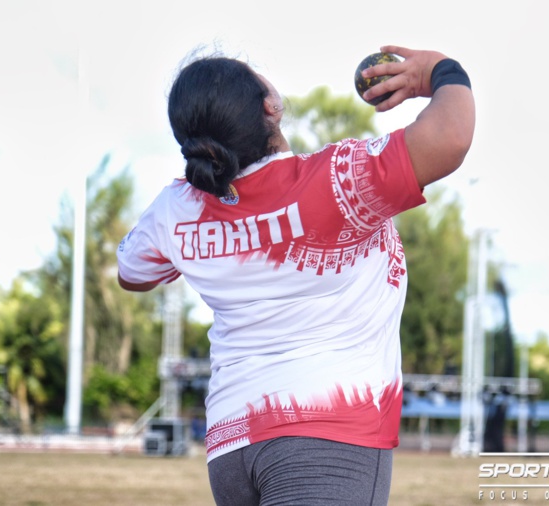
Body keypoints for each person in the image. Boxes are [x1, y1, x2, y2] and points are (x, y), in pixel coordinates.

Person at [117, 45, 475, 505]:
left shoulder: (177, 208)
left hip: (230, 445)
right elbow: (450, 136)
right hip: (326, 433)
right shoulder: (340, 180)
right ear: (270, 106)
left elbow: (132, 273)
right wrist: (441, 70)